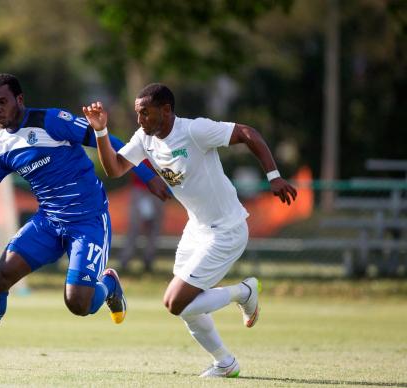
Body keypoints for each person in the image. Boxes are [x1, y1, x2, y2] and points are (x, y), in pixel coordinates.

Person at [0, 74, 168, 369]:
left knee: (78, 303)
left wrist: (147, 175)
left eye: (2, 101)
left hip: (88, 221)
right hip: (49, 222)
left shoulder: (51, 121)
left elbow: (107, 139)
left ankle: (109, 285)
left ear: (20, 100)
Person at [82, 83, 297, 378]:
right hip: (197, 229)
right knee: (186, 306)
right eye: (137, 113)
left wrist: (274, 177)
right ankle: (225, 362)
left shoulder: (195, 130)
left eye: (145, 113)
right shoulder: (144, 138)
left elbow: (248, 133)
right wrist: (101, 132)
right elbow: (115, 168)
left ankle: (243, 292)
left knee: (174, 302)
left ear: (166, 110)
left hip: (227, 230)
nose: (140, 119)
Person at [120, 161, 165, 273]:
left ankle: (148, 261)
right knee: (134, 227)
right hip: (140, 189)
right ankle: (125, 260)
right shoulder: (140, 143)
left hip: (157, 190)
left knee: (154, 228)